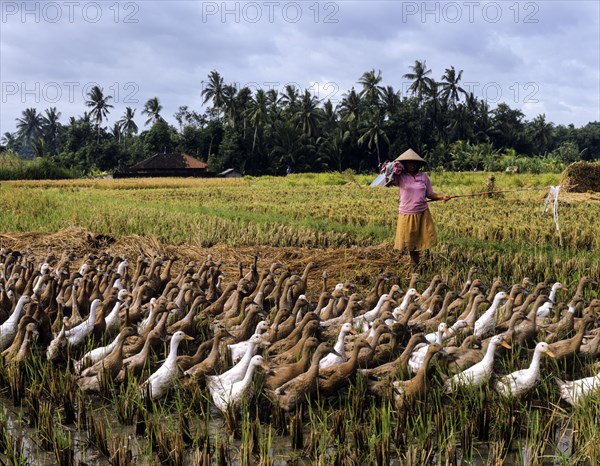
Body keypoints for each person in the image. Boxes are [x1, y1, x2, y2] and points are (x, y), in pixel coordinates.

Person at [381, 149, 452, 266]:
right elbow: (387, 176)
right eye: (409, 162)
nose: (412, 165)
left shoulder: (423, 176)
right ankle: (415, 264)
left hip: (422, 212)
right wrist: (394, 166)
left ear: (418, 164)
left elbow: (430, 194)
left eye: (414, 162)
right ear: (405, 164)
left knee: (423, 239)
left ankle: (419, 263)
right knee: (410, 242)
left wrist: (442, 197)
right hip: (407, 213)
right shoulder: (400, 177)